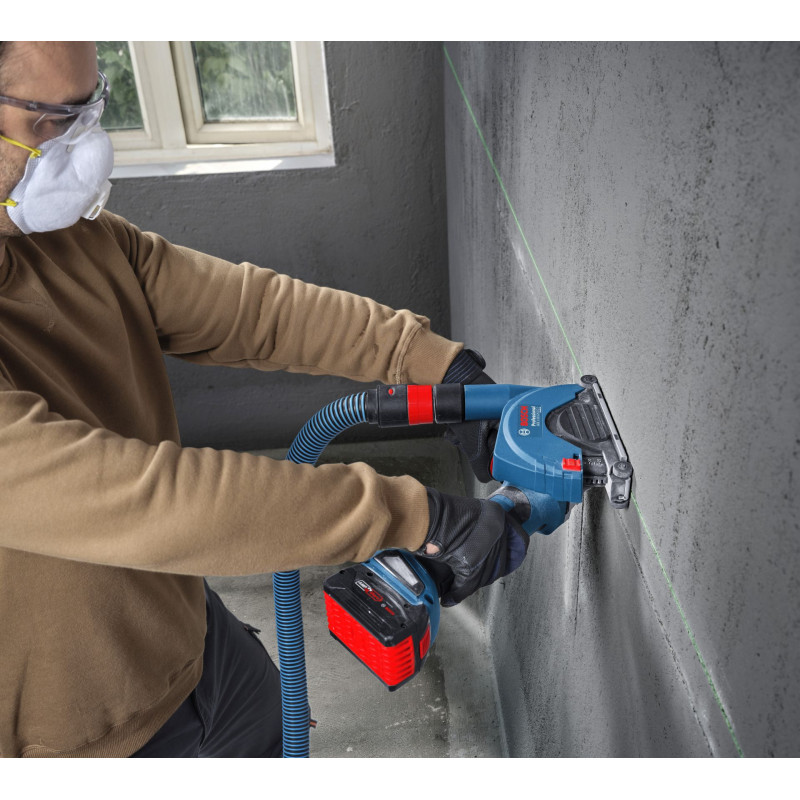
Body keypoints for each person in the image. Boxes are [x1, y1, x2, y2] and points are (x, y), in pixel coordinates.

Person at [0, 41, 528, 758]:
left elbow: (248, 310)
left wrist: (435, 367)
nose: (85, 148)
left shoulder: (63, 238)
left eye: (90, 109)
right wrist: (415, 517)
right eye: (53, 120)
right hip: (81, 743)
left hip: (195, 644)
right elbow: (147, 498)